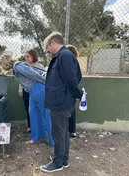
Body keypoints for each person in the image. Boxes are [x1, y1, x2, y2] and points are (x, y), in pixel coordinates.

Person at [40, 32, 84, 173]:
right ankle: (63, 160)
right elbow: (73, 77)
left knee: (58, 133)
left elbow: (72, 79)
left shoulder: (64, 56)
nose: (47, 49)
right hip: (61, 100)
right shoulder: (62, 56)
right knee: (63, 133)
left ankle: (57, 162)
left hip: (61, 102)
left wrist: (79, 95)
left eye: (47, 46)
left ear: (53, 43)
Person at [0, 54, 53, 146]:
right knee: (33, 113)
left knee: (45, 114)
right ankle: (37, 137)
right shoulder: (16, 67)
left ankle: (53, 140)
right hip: (32, 90)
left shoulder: (18, 66)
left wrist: (45, 81)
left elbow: (34, 74)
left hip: (38, 87)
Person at [18, 49, 45, 133]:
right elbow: (21, 79)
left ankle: (40, 126)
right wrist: (20, 90)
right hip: (26, 90)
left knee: (38, 109)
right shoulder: (24, 66)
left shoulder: (40, 67)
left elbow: (43, 79)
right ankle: (30, 126)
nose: (26, 58)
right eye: (25, 57)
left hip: (37, 91)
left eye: (28, 56)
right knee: (28, 108)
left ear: (33, 56)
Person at [66, 45, 82, 138]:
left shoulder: (71, 63)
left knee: (69, 111)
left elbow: (74, 78)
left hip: (69, 90)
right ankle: (72, 131)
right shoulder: (75, 62)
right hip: (72, 89)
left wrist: (76, 93)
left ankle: (70, 131)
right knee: (71, 110)